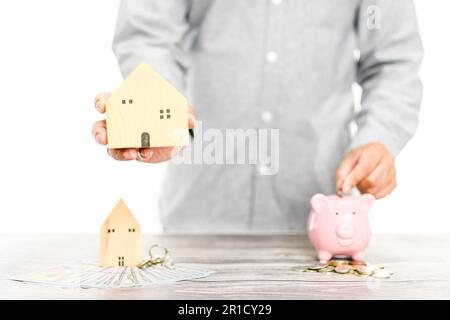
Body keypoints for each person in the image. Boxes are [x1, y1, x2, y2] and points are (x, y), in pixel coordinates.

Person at [92, 0, 423, 233]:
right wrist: (159, 112)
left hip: (324, 219)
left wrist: (379, 138)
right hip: (201, 215)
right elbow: (149, 33)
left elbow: (394, 61)